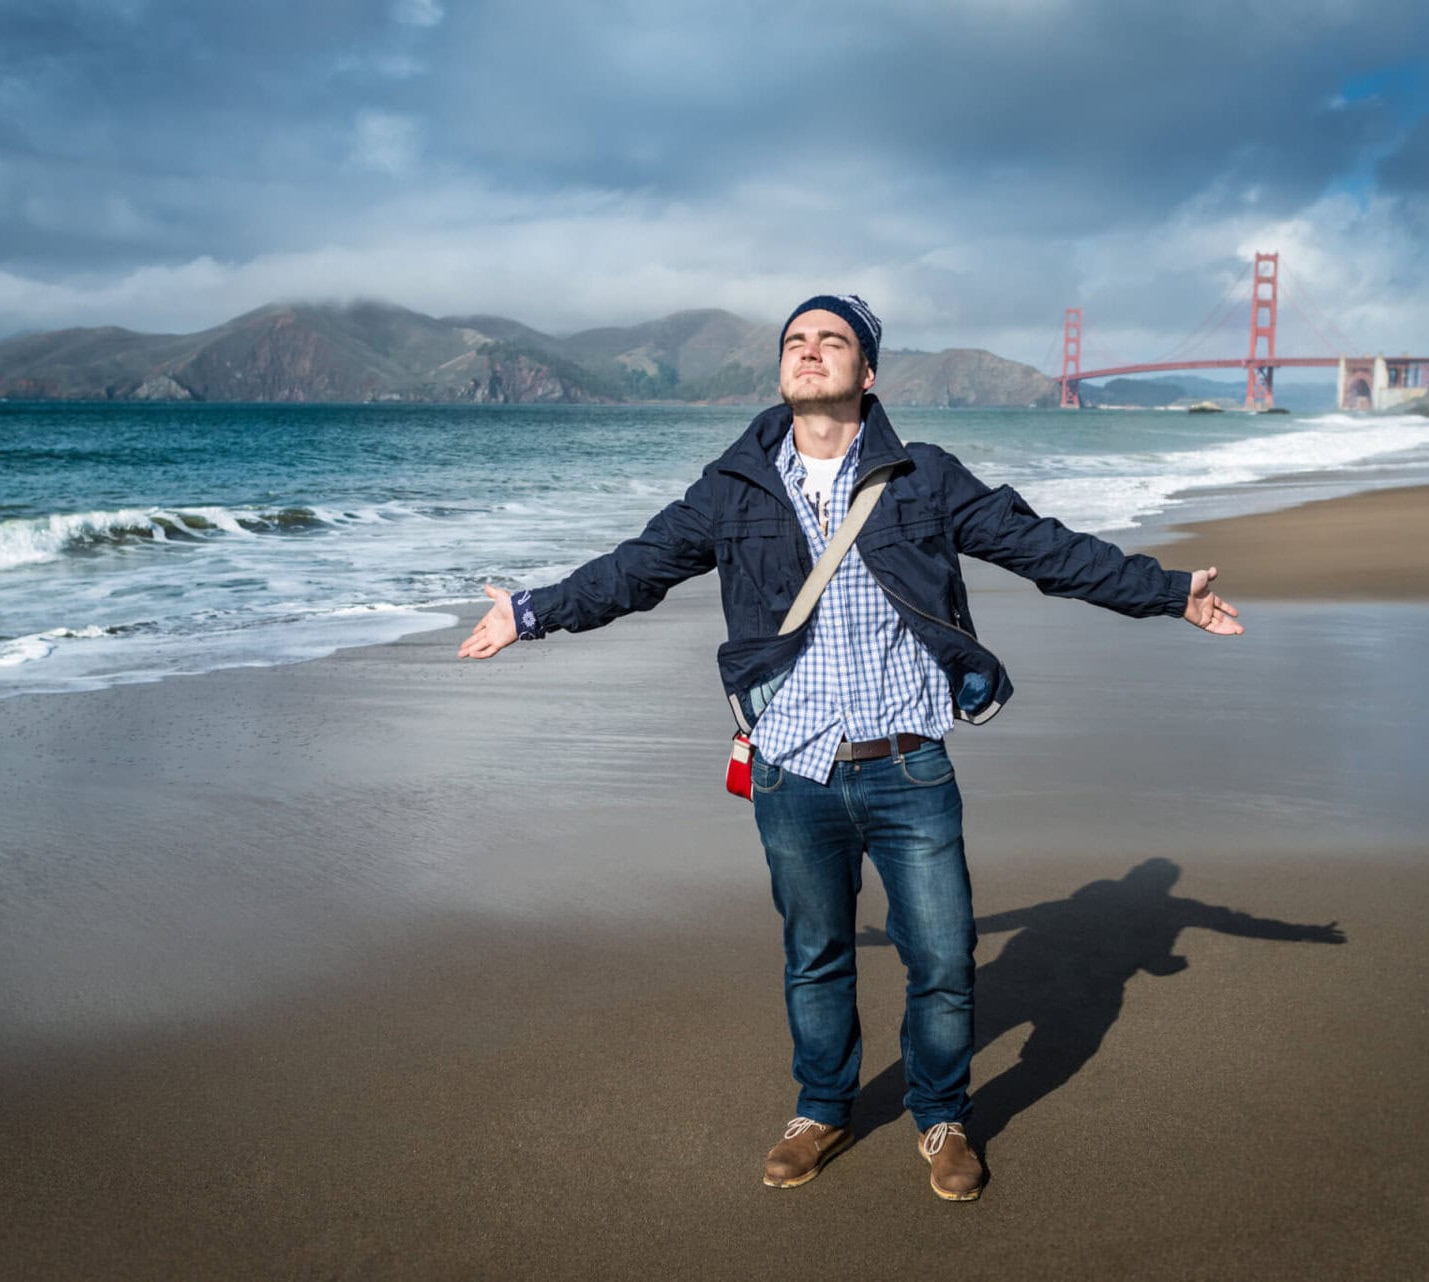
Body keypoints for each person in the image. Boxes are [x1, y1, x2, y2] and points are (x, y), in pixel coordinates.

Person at [458, 294, 1243, 1202]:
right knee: (817, 952)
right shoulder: (735, 488)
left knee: (943, 958)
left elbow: (1044, 551)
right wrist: (529, 611)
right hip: (793, 768)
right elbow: (636, 569)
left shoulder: (926, 478)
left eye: (833, 340)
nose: (810, 351)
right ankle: (824, 1108)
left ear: (867, 374)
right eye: (796, 341)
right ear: (782, 371)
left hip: (909, 764)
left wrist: (1167, 590)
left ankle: (941, 1116)